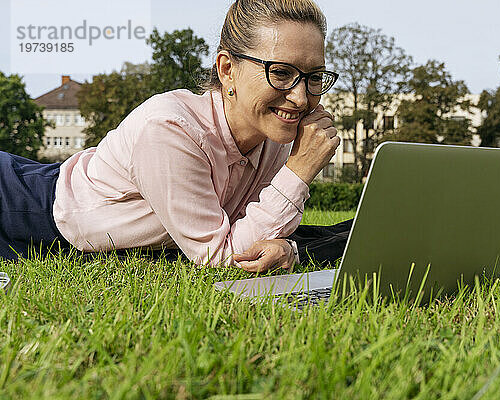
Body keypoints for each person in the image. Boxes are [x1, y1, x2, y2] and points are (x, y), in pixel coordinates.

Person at [0, 0, 352, 273]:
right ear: (227, 70)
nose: (302, 97)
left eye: (314, 76)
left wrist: (288, 249)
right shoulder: (170, 129)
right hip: (27, 206)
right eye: (281, 72)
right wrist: (299, 172)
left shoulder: (275, 136)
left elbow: (255, 234)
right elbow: (221, 256)